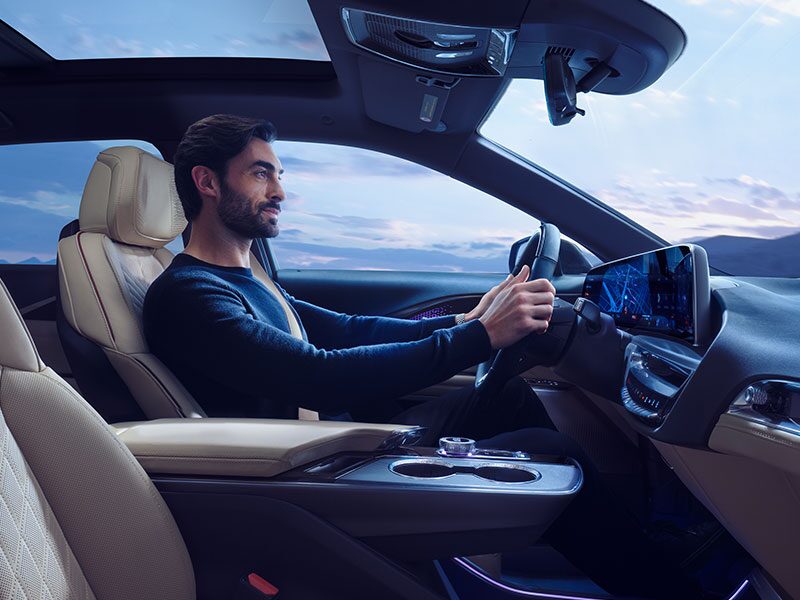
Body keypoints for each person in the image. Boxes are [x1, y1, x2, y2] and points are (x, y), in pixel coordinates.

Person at [143, 114, 700, 598]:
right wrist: (480, 337)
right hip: (300, 469)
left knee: (506, 396)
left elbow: (346, 329)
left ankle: (647, 548)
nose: (280, 191)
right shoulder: (190, 295)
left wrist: (463, 323)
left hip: (326, 439)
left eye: (279, 174)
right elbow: (315, 376)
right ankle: (671, 588)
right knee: (545, 450)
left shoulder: (242, 278)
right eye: (260, 173)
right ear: (206, 182)